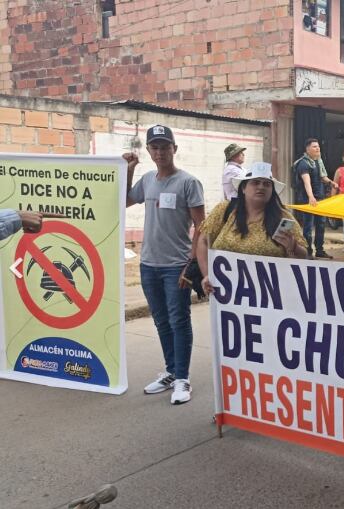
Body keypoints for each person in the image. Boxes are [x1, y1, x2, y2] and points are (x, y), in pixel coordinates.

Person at [123, 125, 205, 405]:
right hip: (149, 265)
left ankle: (183, 378)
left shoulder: (188, 182)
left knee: (179, 320)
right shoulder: (147, 180)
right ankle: (171, 371)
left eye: (164, 146)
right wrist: (130, 169)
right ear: (149, 151)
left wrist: (192, 264)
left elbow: (201, 226)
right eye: (154, 147)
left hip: (176, 266)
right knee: (161, 321)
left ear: (174, 149)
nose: (160, 152)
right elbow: (123, 200)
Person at [196, 166, 310, 294]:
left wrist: (293, 246)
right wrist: (207, 275)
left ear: (272, 191)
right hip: (227, 296)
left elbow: (303, 256)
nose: (261, 187)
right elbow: (204, 241)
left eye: (267, 184)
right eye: (255, 182)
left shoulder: (283, 217)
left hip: (268, 297)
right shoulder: (224, 210)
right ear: (243, 188)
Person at [292, 138, 338, 258]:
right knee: (308, 226)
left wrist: (331, 183)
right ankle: (308, 251)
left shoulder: (317, 161)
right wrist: (311, 197)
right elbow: (307, 182)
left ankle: (320, 250)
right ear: (307, 149)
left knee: (321, 224)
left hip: (320, 198)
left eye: (318, 146)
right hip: (308, 200)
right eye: (314, 147)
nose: (317, 148)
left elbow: (322, 177)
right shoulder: (303, 163)